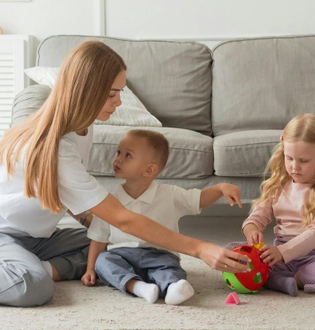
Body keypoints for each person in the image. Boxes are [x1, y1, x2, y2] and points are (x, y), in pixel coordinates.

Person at [0, 41, 249, 306]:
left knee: (111, 247)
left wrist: (94, 226)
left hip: (36, 240)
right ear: (87, 90)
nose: (118, 101)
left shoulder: (83, 126)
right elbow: (124, 216)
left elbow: (89, 213)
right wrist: (199, 248)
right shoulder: (55, 144)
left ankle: (33, 266)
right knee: (33, 286)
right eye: (113, 93)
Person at [82, 130, 243, 305]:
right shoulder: (109, 202)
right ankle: (138, 287)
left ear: (150, 169)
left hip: (160, 254)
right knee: (103, 261)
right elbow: (98, 239)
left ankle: (174, 287)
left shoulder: (170, 195)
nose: (118, 159)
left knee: (169, 268)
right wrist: (90, 269)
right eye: (118, 152)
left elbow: (199, 199)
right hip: (122, 255)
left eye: (128, 155)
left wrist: (220, 188)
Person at [239, 114, 315, 297]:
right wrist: (251, 229)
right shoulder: (277, 185)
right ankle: (278, 276)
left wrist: (282, 252)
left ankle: (287, 280)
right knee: (232, 251)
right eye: (289, 158)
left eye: (303, 161)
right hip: (280, 254)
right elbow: (258, 215)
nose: (294, 167)